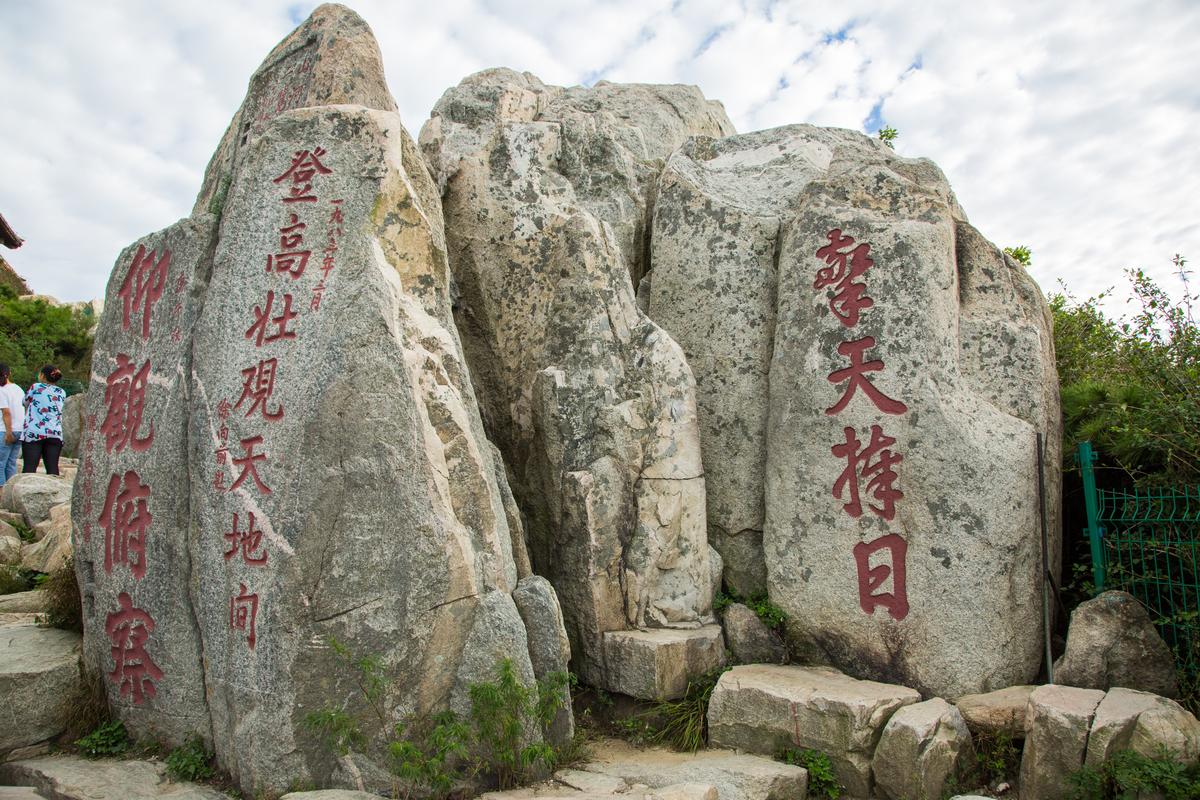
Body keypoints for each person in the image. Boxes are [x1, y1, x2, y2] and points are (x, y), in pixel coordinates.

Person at [22, 364, 66, 476]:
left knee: (29, 468)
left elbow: (24, 402)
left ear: (42, 375)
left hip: (34, 432)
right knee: (52, 469)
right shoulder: (61, 392)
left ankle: (26, 492)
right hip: (55, 433)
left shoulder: (36, 387)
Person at [0, 364, 24, 482]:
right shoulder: (18, 389)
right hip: (20, 430)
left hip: (6, 430)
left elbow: (6, 412)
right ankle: (10, 491)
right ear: (9, 373)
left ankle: (1, 494)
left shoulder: (1, 390)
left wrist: (9, 432)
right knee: (11, 463)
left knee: (0, 464)